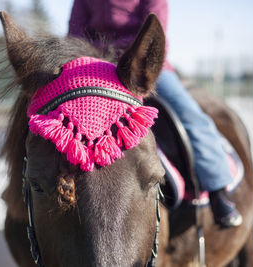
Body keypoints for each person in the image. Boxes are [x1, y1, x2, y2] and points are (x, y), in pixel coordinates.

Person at [68, 0, 242, 228]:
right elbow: (74, 36)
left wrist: (130, 59)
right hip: (97, 68)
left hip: (142, 64)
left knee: (187, 112)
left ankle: (218, 189)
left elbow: (154, 32)